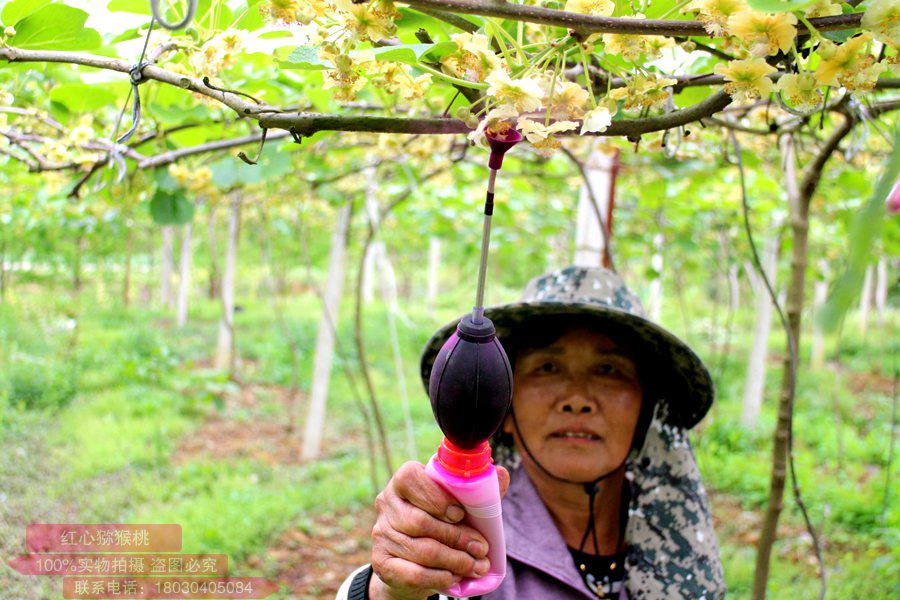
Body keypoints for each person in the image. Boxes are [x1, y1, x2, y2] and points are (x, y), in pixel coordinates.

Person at [337, 266, 725, 600]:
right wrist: (392, 589)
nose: (577, 399)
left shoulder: (679, 543)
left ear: (647, 412)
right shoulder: (461, 537)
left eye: (609, 370)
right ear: (502, 405)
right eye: (547, 368)